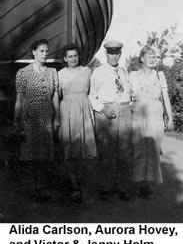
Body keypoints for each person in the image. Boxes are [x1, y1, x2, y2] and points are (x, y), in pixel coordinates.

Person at [14, 39, 60, 200]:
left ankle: (43, 190)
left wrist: (57, 117)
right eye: (41, 51)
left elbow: (55, 96)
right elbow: (19, 99)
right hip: (29, 118)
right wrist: (16, 119)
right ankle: (31, 190)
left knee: (45, 156)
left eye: (47, 51)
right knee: (30, 156)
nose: (45, 54)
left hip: (46, 118)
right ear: (33, 52)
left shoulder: (52, 72)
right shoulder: (23, 73)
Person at [89, 40, 132, 201]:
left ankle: (122, 187)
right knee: (107, 152)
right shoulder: (98, 72)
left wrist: (128, 107)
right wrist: (103, 108)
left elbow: (129, 93)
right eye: (111, 53)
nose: (114, 56)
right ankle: (105, 187)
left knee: (125, 151)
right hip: (106, 112)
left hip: (124, 110)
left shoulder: (124, 71)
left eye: (117, 53)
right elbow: (92, 95)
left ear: (120, 54)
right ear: (106, 54)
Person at [130, 46, 173, 199]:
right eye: (149, 57)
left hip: (155, 115)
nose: (152, 60)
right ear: (142, 59)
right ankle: (139, 183)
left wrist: (170, 117)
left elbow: (165, 98)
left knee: (153, 150)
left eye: (154, 57)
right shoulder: (133, 75)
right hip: (139, 114)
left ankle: (149, 184)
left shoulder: (159, 75)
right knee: (139, 150)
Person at [58, 44, 97, 203]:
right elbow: (56, 95)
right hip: (67, 111)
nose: (73, 59)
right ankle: (74, 185)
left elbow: (94, 93)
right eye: (70, 56)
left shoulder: (87, 71)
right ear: (65, 59)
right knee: (69, 149)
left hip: (84, 110)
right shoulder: (59, 74)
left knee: (83, 150)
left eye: (75, 55)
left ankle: (80, 183)